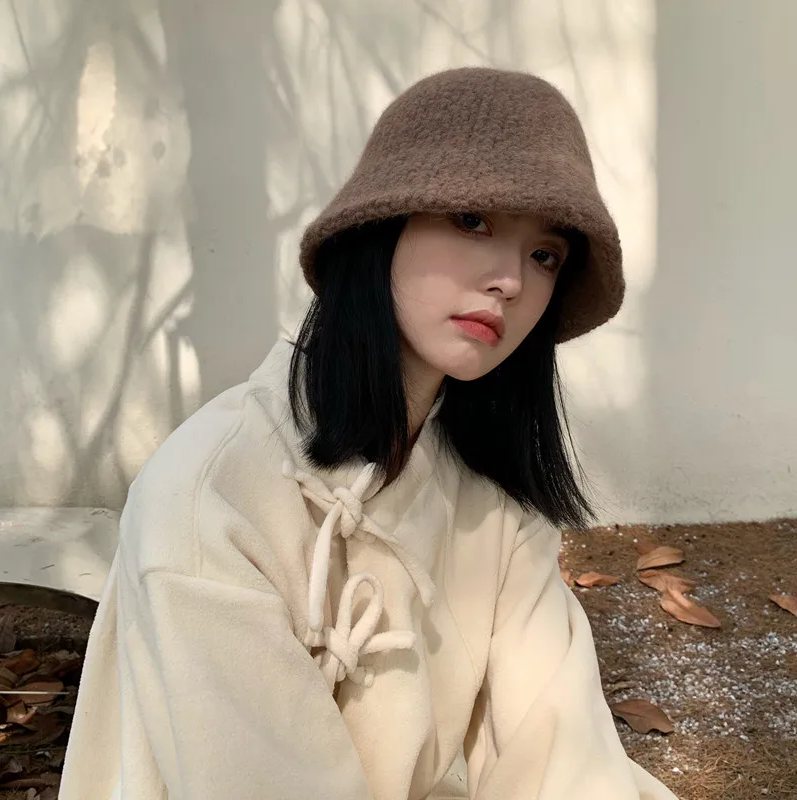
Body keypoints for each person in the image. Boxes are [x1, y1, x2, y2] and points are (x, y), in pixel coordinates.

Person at [60, 67, 678, 799]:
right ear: (380, 226)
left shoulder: (493, 499)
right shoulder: (210, 497)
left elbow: (560, 757)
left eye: (545, 255)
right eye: (472, 220)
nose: (511, 279)